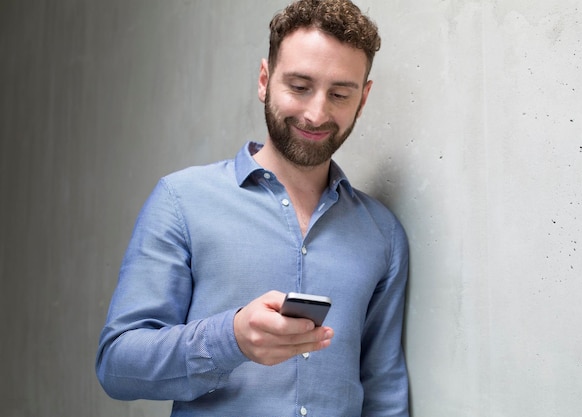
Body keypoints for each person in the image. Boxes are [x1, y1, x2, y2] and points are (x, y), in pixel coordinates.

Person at [96, 0, 409, 415]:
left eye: (339, 94)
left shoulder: (382, 233)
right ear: (264, 79)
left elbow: (383, 391)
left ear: (363, 99)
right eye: (299, 87)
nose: (316, 113)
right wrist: (232, 339)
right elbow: (117, 366)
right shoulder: (182, 200)